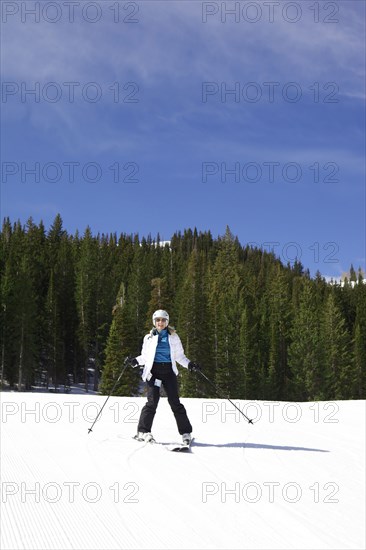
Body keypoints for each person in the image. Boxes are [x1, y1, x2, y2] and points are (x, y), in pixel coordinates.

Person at [129, 309, 200, 444]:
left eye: (163, 320)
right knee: (152, 402)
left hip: (168, 372)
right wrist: (135, 361)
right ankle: (143, 431)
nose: (160, 322)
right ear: (154, 322)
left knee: (175, 402)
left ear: (167, 322)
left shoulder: (173, 337)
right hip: (154, 372)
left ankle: (186, 433)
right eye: (158, 320)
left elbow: (179, 356)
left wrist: (189, 364)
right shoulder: (148, 337)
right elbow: (145, 356)